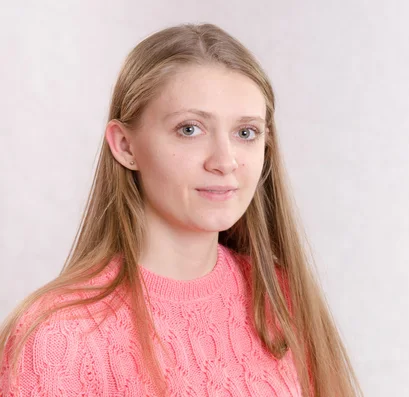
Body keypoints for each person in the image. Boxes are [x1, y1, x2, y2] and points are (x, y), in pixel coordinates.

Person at [0, 23, 362, 396]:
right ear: (125, 146)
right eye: (190, 129)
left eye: (246, 133)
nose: (225, 161)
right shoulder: (58, 337)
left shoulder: (280, 296)